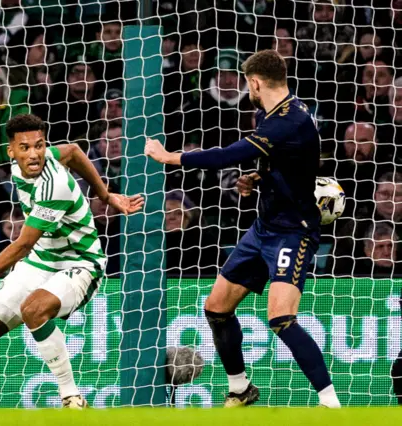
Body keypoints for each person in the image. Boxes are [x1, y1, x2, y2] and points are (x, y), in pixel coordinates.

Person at [144, 49, 341, 408]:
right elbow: (286, 163)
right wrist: (259, 177)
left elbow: (225, 156)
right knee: (216, 308)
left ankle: (331, 404)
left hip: (292, 232)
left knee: (281, 318)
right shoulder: (282, 112)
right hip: (264, 227)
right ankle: (240, 389)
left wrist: (170, 157)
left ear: (254, 82)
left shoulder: (287, 121)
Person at [0, 114, 143, 409]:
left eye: (40, 146)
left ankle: (72, 397)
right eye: (25, 147)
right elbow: (72, 150)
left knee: (33, 309)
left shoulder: (52, 184)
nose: (34, 154)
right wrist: (105, 195)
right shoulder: (21, 168)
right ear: (11, 152)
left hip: (80, 263)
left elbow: (22, 245)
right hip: (41, 260)